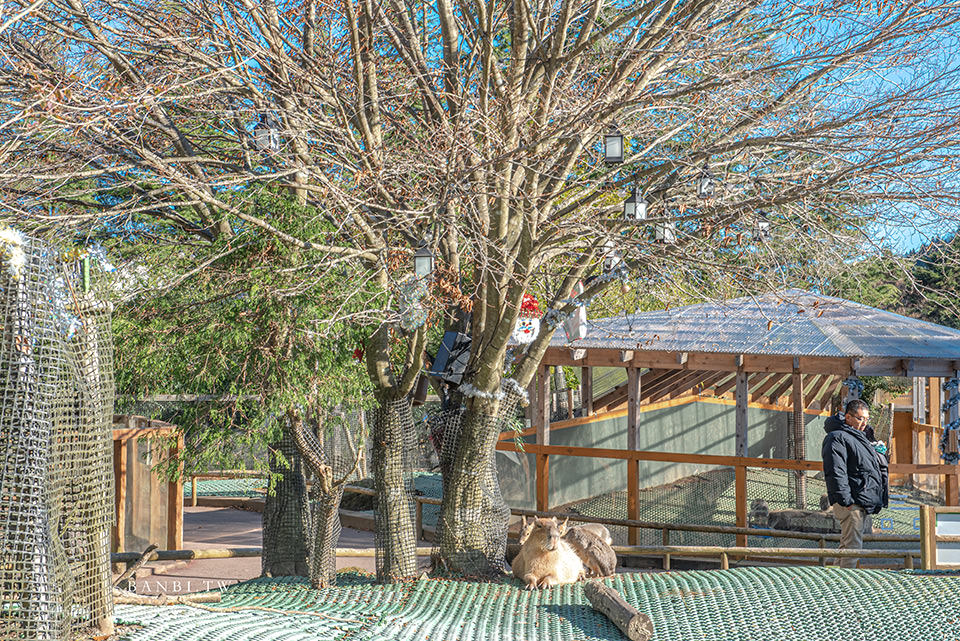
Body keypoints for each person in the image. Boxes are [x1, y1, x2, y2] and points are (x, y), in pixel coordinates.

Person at [821, 399, 889, 568]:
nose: (864, 423)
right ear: (848, 417)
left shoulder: (862, 439)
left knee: (847, 544)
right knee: (853, 547)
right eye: (860, 419)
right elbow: (836, 471)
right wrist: (847, 501)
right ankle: (845, 585)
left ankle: (837, 580)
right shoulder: (837, 437)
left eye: (866, 419)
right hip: (852, 502)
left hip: (860, 499)